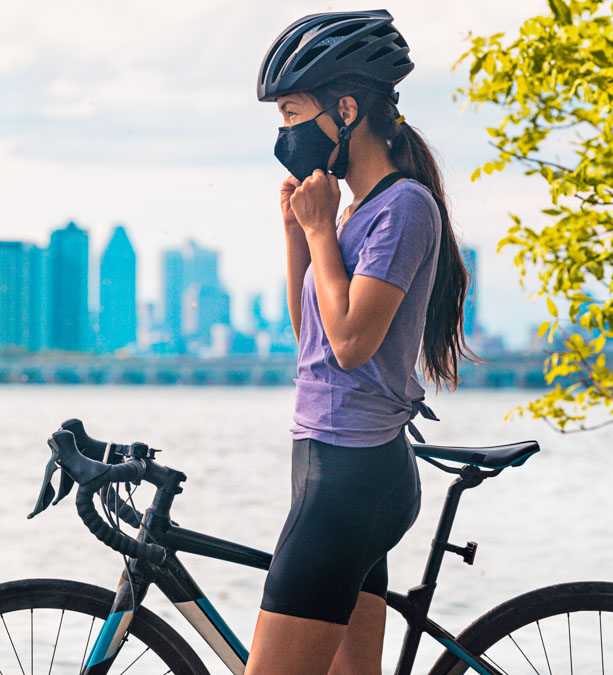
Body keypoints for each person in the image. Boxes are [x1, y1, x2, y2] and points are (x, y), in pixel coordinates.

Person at [247, 10, 476, 675]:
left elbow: (351, 343)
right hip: (327, 463)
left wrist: (321, 233)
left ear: (345, 109)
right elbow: (312, 336)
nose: (285, 134)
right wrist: (300, 233)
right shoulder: (353, 211)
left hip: (352, 477)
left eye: (292, 113)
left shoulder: (404, 208)